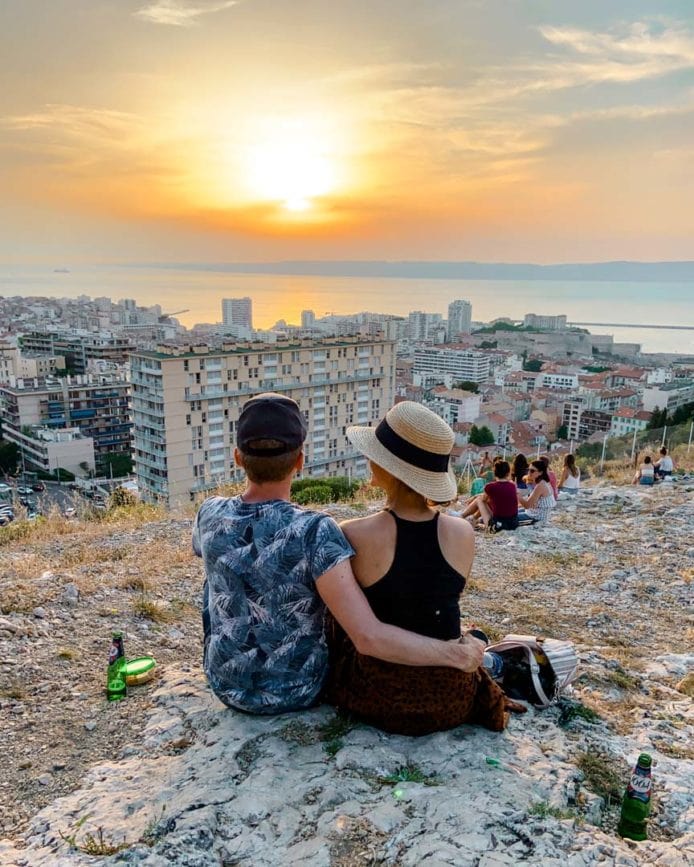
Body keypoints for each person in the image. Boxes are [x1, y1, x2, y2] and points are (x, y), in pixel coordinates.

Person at [192, 393, 485, 716]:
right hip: (299, 689)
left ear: (237, 457)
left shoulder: (208, 513)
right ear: (300, 461)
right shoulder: (317, 531)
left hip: (225, 685)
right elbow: (367, 633)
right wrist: (459, 654)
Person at [324, 401, 524, 735]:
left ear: (388, 468)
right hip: (451, 699)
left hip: (380, 695)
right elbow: (427, 601)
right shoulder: (462, 532)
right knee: (467, 630)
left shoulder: (353, 533)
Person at [460, 459, 518, 530]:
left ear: (494, 472)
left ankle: (462, 516)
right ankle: (472, 518)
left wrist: (475, 496)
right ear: (508, 473)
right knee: (488, 500)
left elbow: (483, 499)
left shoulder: (490, 486)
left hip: (497, 526)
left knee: (479, 500)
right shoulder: (513, 485)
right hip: (513, 524)